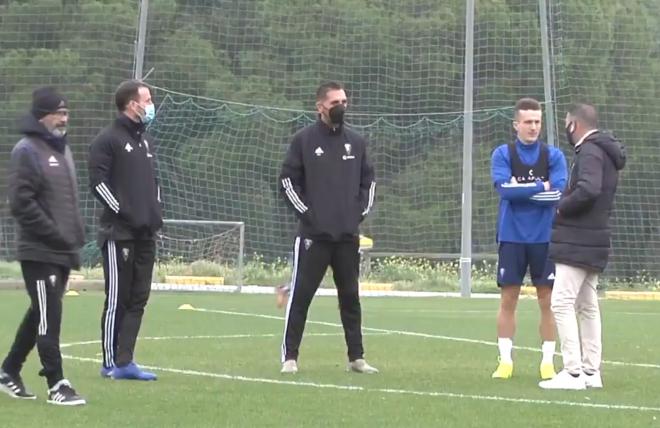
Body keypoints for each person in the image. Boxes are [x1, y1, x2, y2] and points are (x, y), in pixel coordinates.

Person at [278, 81, 378, 374]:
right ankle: (290, 357)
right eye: (335, 102)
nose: (341, 107)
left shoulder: (356, 142)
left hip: (347, 236)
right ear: (320, 106)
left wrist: (358, 213)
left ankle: (356, 357)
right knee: (300, 296)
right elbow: (287, 181)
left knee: (350, 297)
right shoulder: (303, 140)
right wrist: (308, 214)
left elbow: (368, 182)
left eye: (344, 102)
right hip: (313, 236)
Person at [0, 87, 86, 406]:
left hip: (62, 250)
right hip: (38, 250)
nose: (64, 118)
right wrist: (53, 233)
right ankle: (56, 383)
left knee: (40, 313)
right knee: (50, 314)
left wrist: (75, 232)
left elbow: (66, 201)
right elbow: (21, 203)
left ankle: (9, 370)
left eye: (66, 113)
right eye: (58, 113)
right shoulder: (27, 150)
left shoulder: (62, 150)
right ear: (42, 116)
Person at [539, 103, 626, 390]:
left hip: (578, 238)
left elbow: (588, 189)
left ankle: (573, 372)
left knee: (561, 302)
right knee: (587, 306)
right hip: (597, 237)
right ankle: (591, 371)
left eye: (567, 124)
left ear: (573, 125)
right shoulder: (606, 151)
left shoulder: (589, 150)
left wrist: (562, 207)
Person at [88, 80, 163, 381]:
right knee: (117, 298)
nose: (150, 104)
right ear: (132, 104)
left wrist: (156, 214)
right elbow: (98, 184)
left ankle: (126, 360)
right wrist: (125, 212)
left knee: (138, 298)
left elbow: (153, 185)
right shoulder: (107, 140)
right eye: (147, 99)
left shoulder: (145, 141)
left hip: (146, 234)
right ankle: (109, 363)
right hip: (118, 233)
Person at [490, 97, 568, 380]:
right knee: (508, 298)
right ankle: (506, 361)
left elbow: (557, 195)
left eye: (537, 121)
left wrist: (522, 188)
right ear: (516, 125)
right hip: (511, 236)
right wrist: (539, 185)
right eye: (528, 122)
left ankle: (547, 362)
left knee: (547, 299)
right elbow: (505, 192)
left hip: (544, 237)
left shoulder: (554, 156)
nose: (533, 127)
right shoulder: (502, 154)